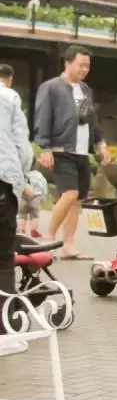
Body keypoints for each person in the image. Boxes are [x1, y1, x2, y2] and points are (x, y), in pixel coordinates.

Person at [34, 46, 110, 261]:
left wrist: (100, 144)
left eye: (87, 66)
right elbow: (42, 119)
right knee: (69, 194)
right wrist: (45, 148)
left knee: (77, 200)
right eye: (81, 65)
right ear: (67, 63)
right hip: (61, 149)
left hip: (81, 152)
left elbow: (92, 119)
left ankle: (68, 245)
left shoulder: (85, 90)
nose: (84, 69)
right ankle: (47, 238)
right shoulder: (51, 88)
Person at [0, 63, 35, 356]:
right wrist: (23, 179)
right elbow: (22, 148)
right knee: (2, 258)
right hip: (1, 180)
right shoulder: (8, 98)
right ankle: (4, 329)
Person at [16, 169, 47, 238]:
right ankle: (33, 231)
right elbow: (43, 187)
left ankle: (21, 231)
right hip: (36, 197)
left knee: (22, 215)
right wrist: (43, 197)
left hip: (23, 197)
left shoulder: (22, 174)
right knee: (34, 216)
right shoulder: (39, 175)